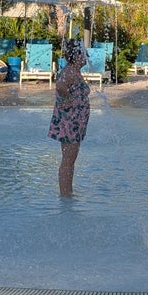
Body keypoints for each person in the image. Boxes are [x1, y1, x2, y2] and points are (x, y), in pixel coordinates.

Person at [48, 40, 90, 196]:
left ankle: (67, 192)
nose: (87, 56)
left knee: (69, 160)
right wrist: (68, 100)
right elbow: (60, 86)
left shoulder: (73, 71)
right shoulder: (70, 72)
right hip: (70, 123)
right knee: (68, 161)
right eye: (84, 53)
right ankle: (65, 195)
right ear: (76, 55)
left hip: (73, 123)